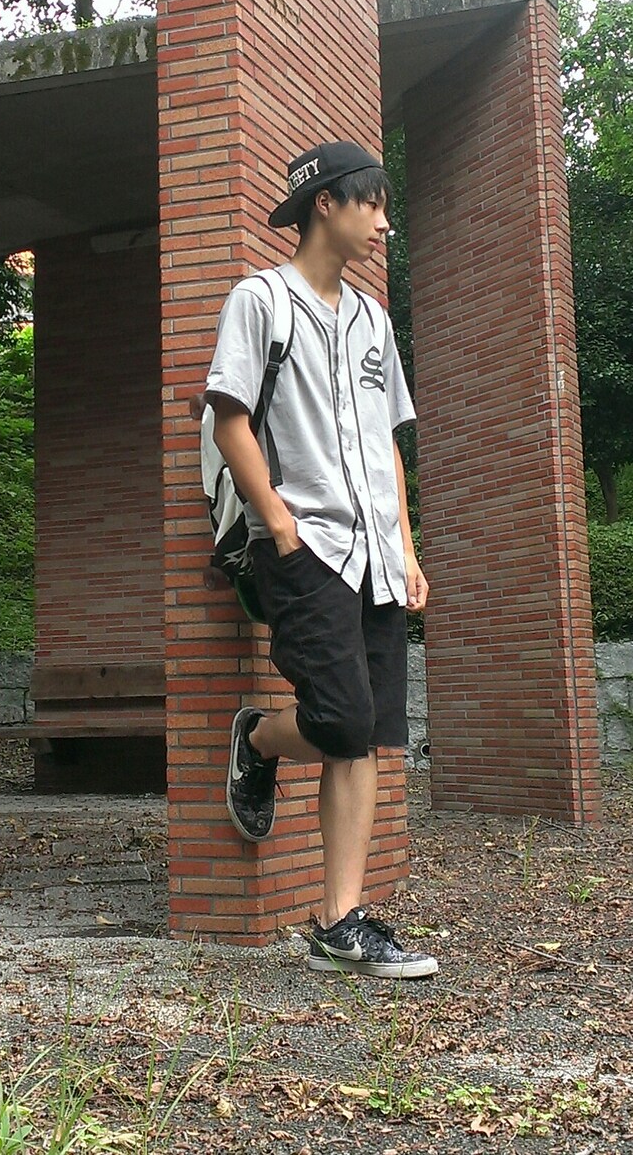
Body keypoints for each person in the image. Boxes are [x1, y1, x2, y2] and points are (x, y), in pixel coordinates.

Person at [204, 140, 438, 979]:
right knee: (339, 718)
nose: (383, 222)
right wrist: (278, 521)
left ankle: (341, 922)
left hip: (376, 553)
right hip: (306, 547)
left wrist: (407, 548)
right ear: (325, 205)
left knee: (365, 735)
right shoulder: (260, 301)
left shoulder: (374, 320)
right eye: (371, 203)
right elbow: (231, 418)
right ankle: (261, 738)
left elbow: (385, 444)